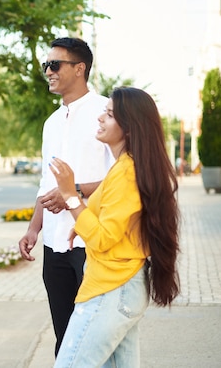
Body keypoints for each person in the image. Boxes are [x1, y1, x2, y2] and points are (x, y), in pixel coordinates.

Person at [49, 87, 180, 367]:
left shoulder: (126, 172)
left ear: (129, 128)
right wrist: (81, 222)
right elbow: (108, 218)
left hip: (112, 288)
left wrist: (70, 193)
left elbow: (102, 239)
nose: (100, 118)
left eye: (109, 115)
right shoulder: (126, 168)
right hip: (122, 286)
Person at [18, 37, 113, 356]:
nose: (48, 71)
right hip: (54, 244)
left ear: (79, 68)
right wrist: (34, 228)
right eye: (46, 65)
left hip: (92, 241)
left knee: (96, 336)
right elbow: (47, 181)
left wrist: (74, 192)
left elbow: (122, 176)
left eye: (55, 64)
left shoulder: (107, 113)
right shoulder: (52, 122)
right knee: (64, 335)